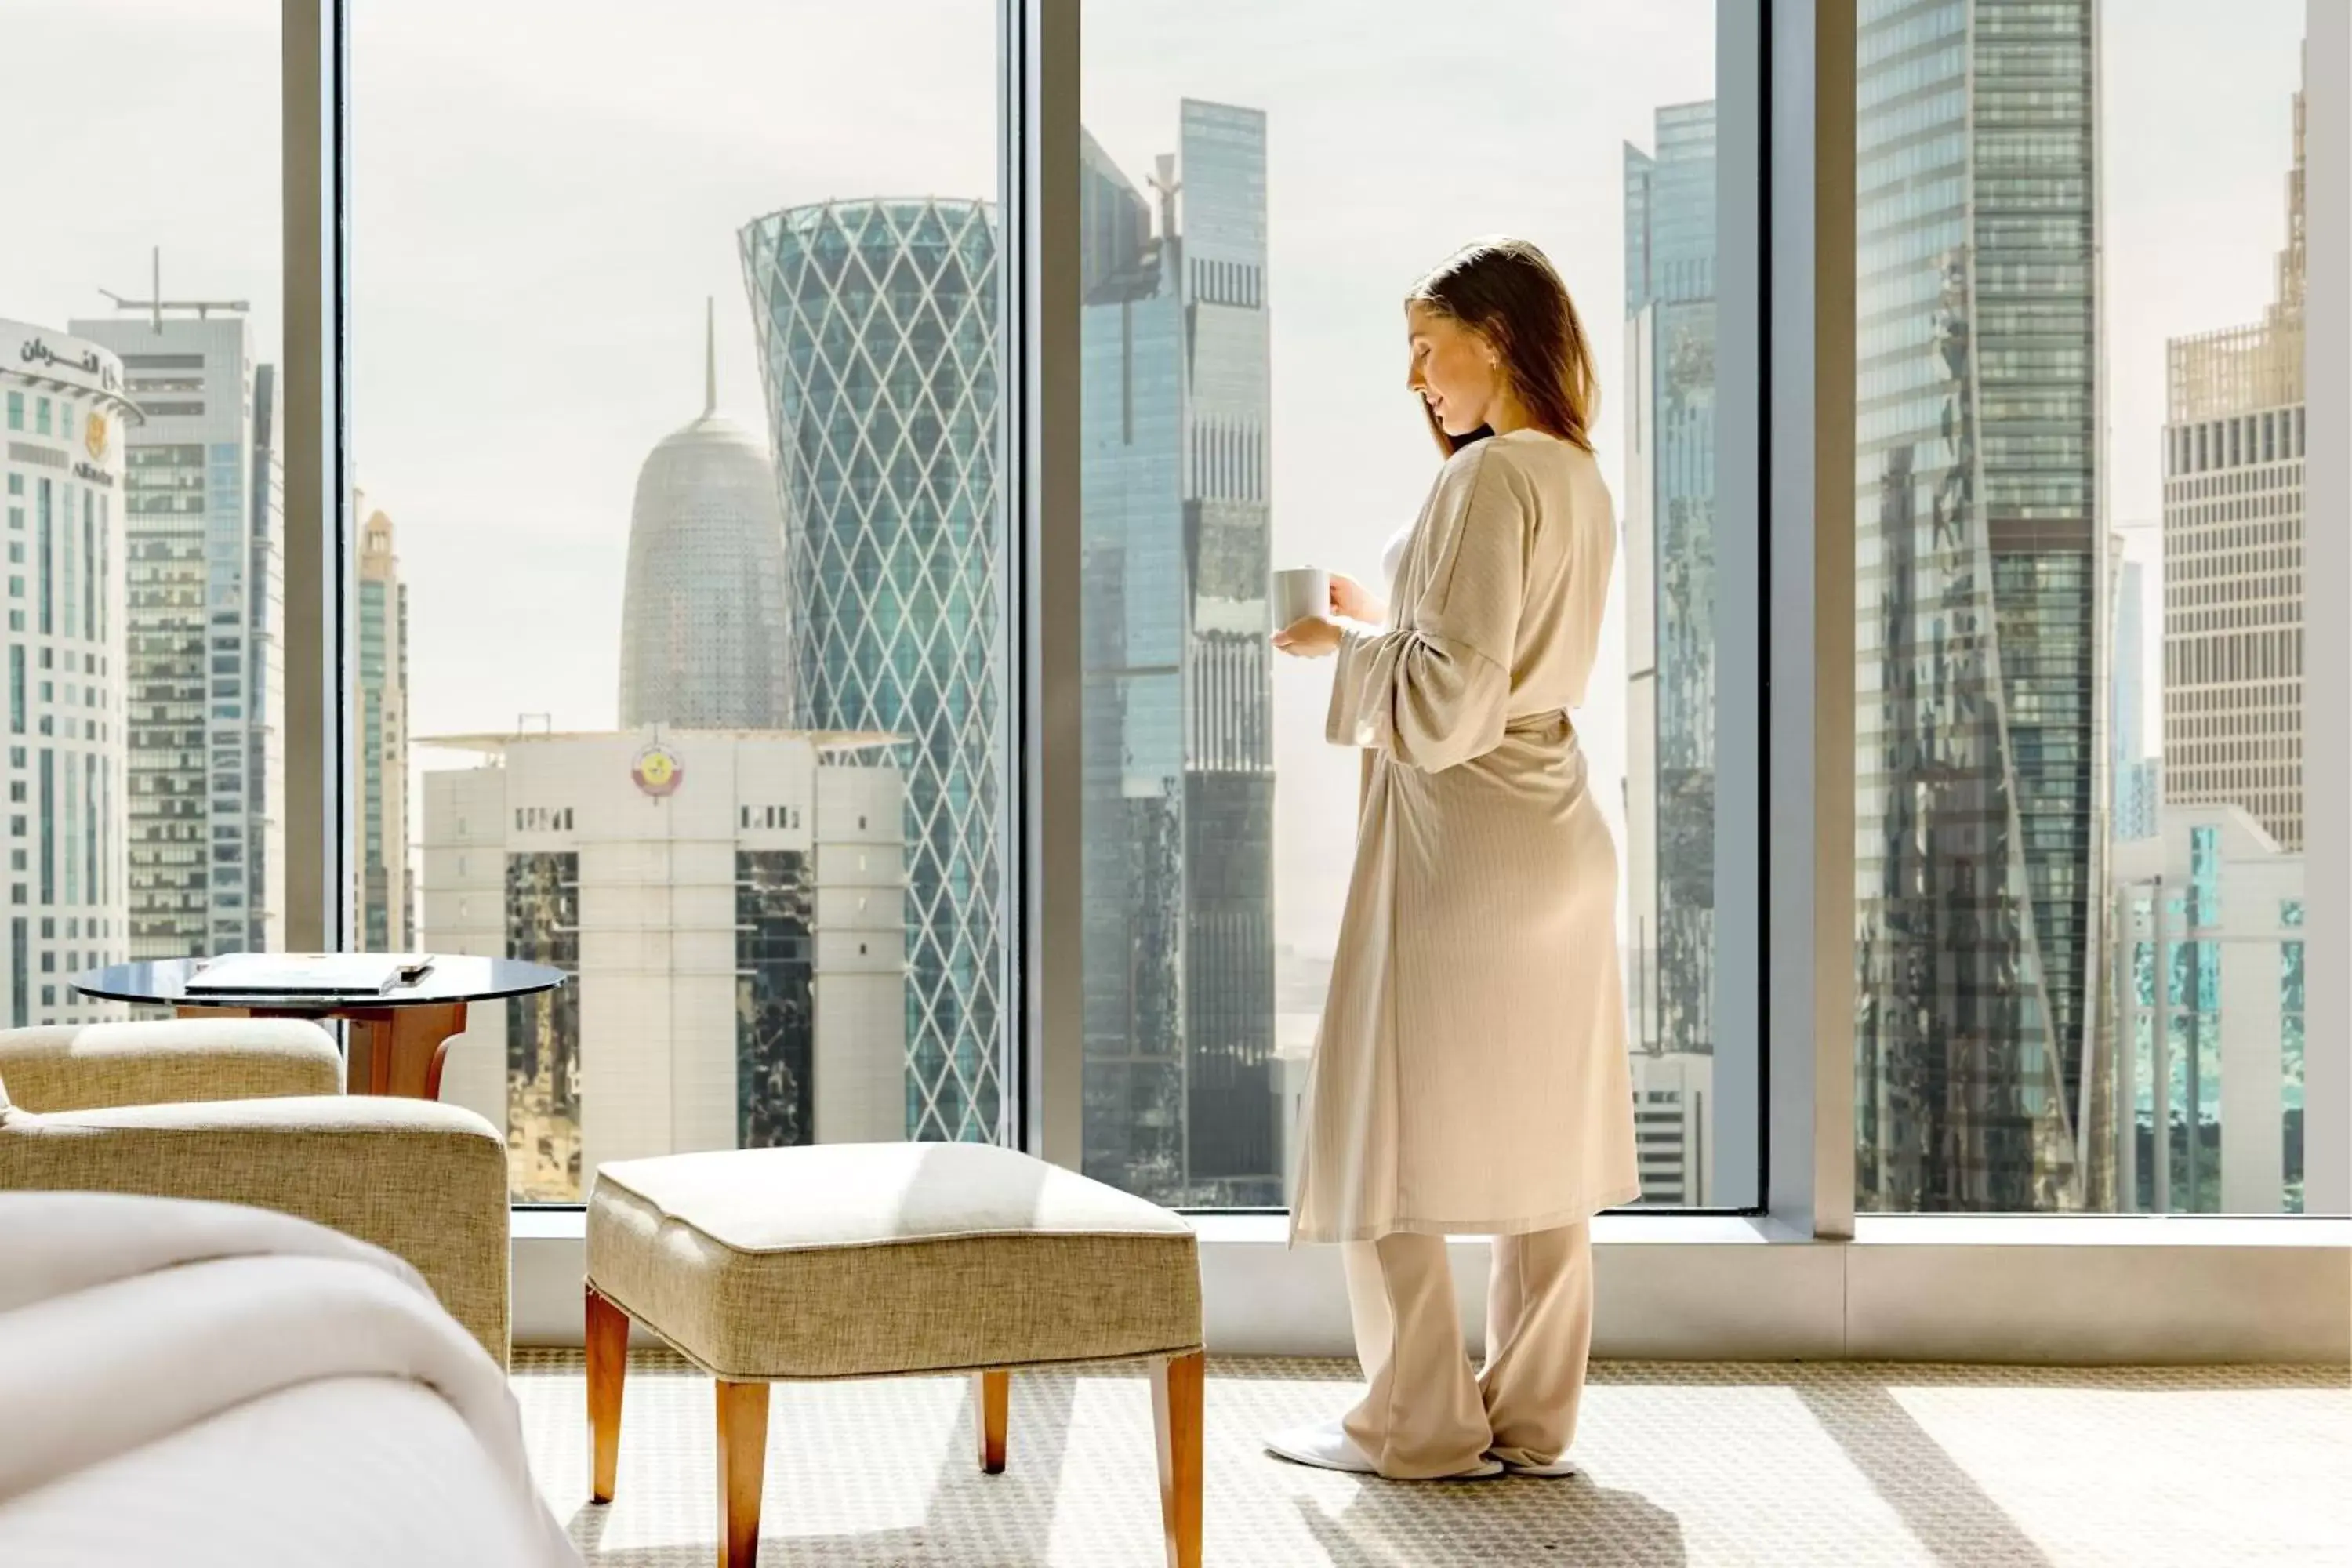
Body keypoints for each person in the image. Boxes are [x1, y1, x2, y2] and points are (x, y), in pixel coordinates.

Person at [1267, 237, 1639, 1482]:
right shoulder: (1578, 480)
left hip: (1464, 844)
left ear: (1497, 336)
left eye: (1428, 347)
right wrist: (1385, 629)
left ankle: (1418, 1419)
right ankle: (1533, 1419)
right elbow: (1498, 667)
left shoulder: (1483, 483)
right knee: (1547, 1138)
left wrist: (1338, 646)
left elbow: (1446, 708)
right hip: (1560, 834)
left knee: (1379, 1120)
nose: (1415, 377)